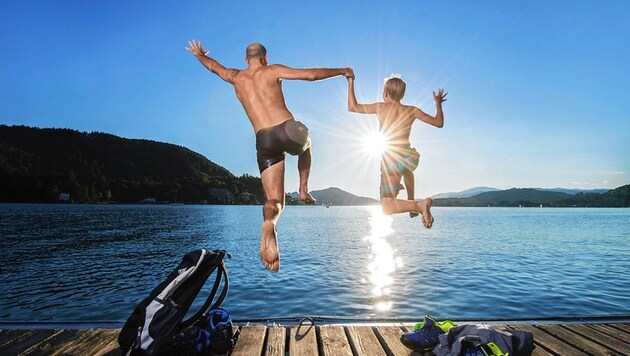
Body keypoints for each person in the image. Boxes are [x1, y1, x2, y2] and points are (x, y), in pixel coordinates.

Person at [186, 40, 352, 272]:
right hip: (285, 128)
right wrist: (342, 71)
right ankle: (304, 190)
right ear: (265, 57)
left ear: (246, 60)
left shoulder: (236, 77)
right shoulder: (271, 70)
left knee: (275, 201)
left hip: (263, 139)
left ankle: (268, 223)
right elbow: (311, 75)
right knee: (307, 142)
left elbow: (214, 67)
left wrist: (198, 55)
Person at [347, 72, 446, 228]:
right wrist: (438, 104)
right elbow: (439, 122)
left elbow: (352, 107)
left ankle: (418, 206)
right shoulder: (412, 110)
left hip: (391, 159)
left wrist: (350, 81)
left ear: (385, 93)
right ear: (402, 95)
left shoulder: (381, 107)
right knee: (408, 171)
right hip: (410, 158)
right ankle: (412, 202)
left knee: (387, 207)